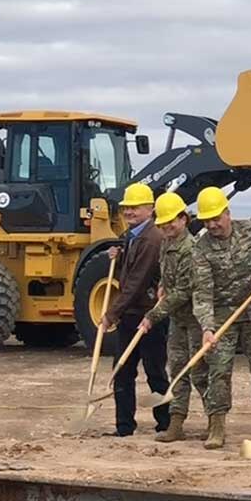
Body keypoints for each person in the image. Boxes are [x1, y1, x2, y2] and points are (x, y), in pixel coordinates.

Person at [189, 187, 251, 450]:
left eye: (217, 218)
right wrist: (208, 328)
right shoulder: (201, 248)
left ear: (228, 213)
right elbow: (203, 293)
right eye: (207, 221)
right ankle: (216, 426)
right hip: (222, 316)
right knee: (218, 371)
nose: (212, 225)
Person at [101, 182, 170, 438]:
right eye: (126, 207)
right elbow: (127, 275)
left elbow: (136, 283)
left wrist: (111, 314)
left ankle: (165, 424)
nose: (129, 212)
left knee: (155, 371)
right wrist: (118, 257)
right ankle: (124, 426)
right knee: (122, 371)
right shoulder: (131, 237)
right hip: (131, 315)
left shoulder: (153, 239)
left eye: (135, 207)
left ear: (150, 209)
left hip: (150, 316)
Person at [137, 192, 199, 441]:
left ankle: (216, 423)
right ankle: (176, 424)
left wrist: (153, 315)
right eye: (162, 224)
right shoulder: (166, 243)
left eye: (171, 222)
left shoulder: (191, 249)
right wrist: (163, 284)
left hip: (195, 318)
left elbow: (184, 291)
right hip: (177, 320)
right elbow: (168, 276)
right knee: (177, 371)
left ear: (183, 219)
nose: (167, 228)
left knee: (202, 374)